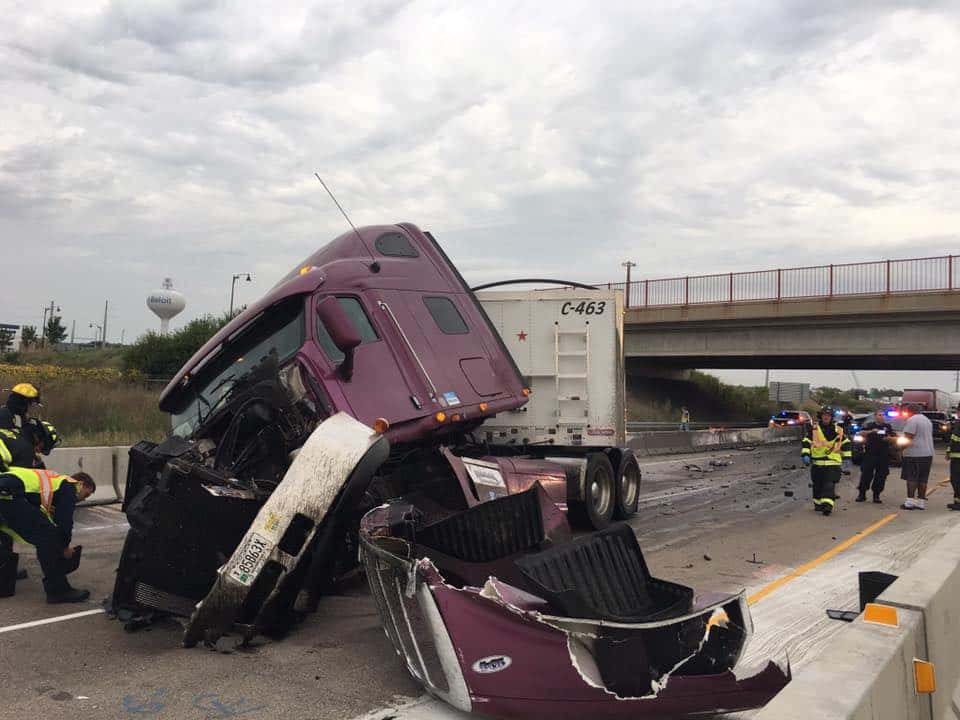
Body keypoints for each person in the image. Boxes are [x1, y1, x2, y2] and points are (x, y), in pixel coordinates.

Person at [0, 467, 95, 602]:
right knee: (48, 538)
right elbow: (64, 522)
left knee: (41, 534)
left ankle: (3, 582)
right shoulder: (68, 487)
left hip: (6, 491)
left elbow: (44, 518)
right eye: (86, 494)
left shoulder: (52, 484)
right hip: (7, 494)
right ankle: (58, 591)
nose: (83, 500)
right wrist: (64, 546)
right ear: (81, 484)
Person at [801, 405, 852, 516]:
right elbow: (806, 442)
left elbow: (846, 443)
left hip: (833, 463)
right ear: (821, 416)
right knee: (817, 486)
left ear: (831, 417)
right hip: (817, 463)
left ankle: (827, 505)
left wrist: (847, 458)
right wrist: (805, 454)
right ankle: (818, 504)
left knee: (829, 484)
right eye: (824, 415)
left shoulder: (838, 430)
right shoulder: (814, 429)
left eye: (828, 415)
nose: (826, 417)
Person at [900, 409, 934, 510]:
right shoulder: (927, 420)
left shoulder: (912, 420)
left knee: (912, 478)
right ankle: (920, 502)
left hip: (914, 453)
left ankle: (909, 502)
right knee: (923, 479)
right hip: (928, 453)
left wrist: (900, 448)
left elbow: (908, 437)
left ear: (909, 412)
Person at [856, 410, 893, 503]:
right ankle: (862, 494)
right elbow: (860, 433)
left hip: (883, 455)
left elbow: (893, 437)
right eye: (879, 415)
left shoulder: (887, 426)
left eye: (883, 415)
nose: (881, 416)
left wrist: (889, 438)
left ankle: (876, 495)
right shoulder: (870, 425)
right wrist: (871, 431)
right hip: (870, 453)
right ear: (875, 416)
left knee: (881, 476)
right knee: (866, 474)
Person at [946, 412, 960, 511]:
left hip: (957, 457)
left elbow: (954, 440)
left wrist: (949, 452)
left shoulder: (958, 424)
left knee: (956, 480)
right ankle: (957, 501)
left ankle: (958, 503)